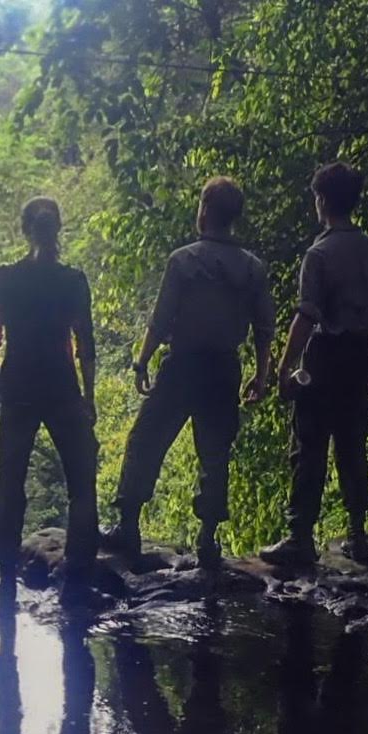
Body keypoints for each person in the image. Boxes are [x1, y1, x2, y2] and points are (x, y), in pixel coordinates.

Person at [106, 177, 275, 568]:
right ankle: (207, 539)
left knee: (146, 439)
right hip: (224, 369)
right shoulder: (252, 268)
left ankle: (127, 527)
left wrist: (142, 360)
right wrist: (261, 375)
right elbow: (265, 327)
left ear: (204, 210)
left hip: (182, 364)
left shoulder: (184, 260)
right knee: (214, 453)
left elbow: (161, 317)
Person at [259, 163, 368, 566]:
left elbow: (306, 316)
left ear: (321, 201)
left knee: (309, 445)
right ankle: (357, 535)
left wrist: (284, 368)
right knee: (353, 444)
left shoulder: (319, 253)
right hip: (359, 354)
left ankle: (301, 536)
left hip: (325, 356)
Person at [0, 197, 99, 603]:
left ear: (24, 229)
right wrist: (89, 396)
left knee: (11, 479)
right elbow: (84, 341)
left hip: (17, 383)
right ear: (58, 229)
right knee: (81, 478)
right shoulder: (72, 281)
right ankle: (80, 565)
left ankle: (4, 574)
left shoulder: (5, 278)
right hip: (61, 384)